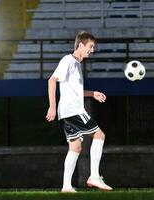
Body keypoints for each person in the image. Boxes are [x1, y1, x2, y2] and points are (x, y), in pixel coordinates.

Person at [45, 31, 112, 192]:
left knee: (75, 147)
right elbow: (52, 80)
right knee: (99, 135)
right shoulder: (68, 60)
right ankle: (94, 176)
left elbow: (74, 91)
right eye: (90, 46)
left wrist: (92, 93)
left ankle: (66, 186)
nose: (92, 50)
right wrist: (52, 106)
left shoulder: (77, 64)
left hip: (66, 112)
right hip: (73, 110)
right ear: (80, 45)